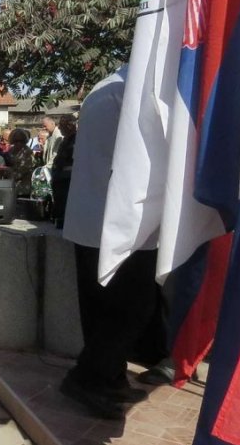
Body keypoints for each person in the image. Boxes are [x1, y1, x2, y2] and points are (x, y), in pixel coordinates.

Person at [60, 64, 163, 420]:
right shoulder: (130, 92)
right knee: (133, 307)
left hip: (95, 216)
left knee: (101, 309)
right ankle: (88, 378)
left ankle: (110, 377)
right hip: (119, 219)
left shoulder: (107, 88)